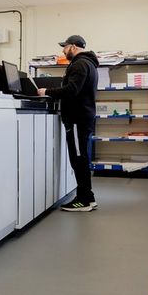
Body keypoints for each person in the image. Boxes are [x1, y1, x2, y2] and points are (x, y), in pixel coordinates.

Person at [37, 35, 99, 211]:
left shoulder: (80, 64)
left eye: (65, 47)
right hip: (82, 117)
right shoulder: (88, 63)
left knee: (79, 160)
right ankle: (89, 198)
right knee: (81, 159)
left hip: (78, 119)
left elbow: (72, 90)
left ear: (73, 46)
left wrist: (46, 91)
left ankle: (83, 201)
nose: (63, 51)